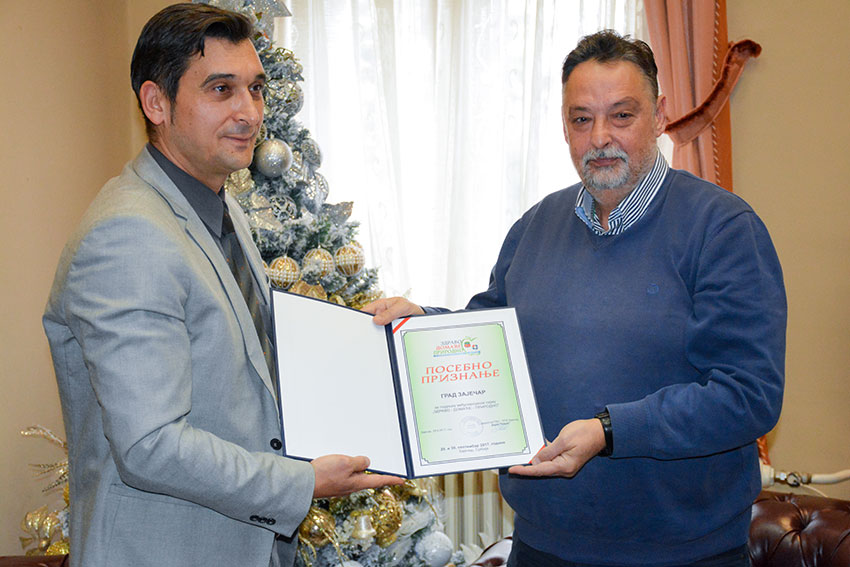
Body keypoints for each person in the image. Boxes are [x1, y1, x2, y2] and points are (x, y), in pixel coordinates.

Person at [367, 30, 786, 566]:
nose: (600, 137)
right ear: (564, 127)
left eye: (622, 115)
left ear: (660, 116)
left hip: (681, 554)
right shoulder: (535, 225)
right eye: (582, 119)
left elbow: (748, 394)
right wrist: (422, 323)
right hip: (541, 544)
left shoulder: (723, 229)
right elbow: (490, 338)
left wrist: (609, 431)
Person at [42, 4, 400, 567]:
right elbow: (150, 445)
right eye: (221, 89)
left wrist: (369, 341)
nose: (249, 112)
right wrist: (302, 482)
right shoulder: (129, 235)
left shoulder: (218, 205)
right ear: (156, 103)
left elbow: (248, 369)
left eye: (256, 89)